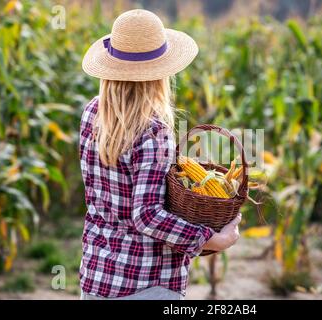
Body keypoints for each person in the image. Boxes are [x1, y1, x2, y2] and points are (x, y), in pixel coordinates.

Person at [79, 9, 241, 300]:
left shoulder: (92, 112)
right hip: (145, 283)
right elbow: (147, 216)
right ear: (161, 73)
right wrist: (214, 239)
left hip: (98, 276)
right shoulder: (154, 132)